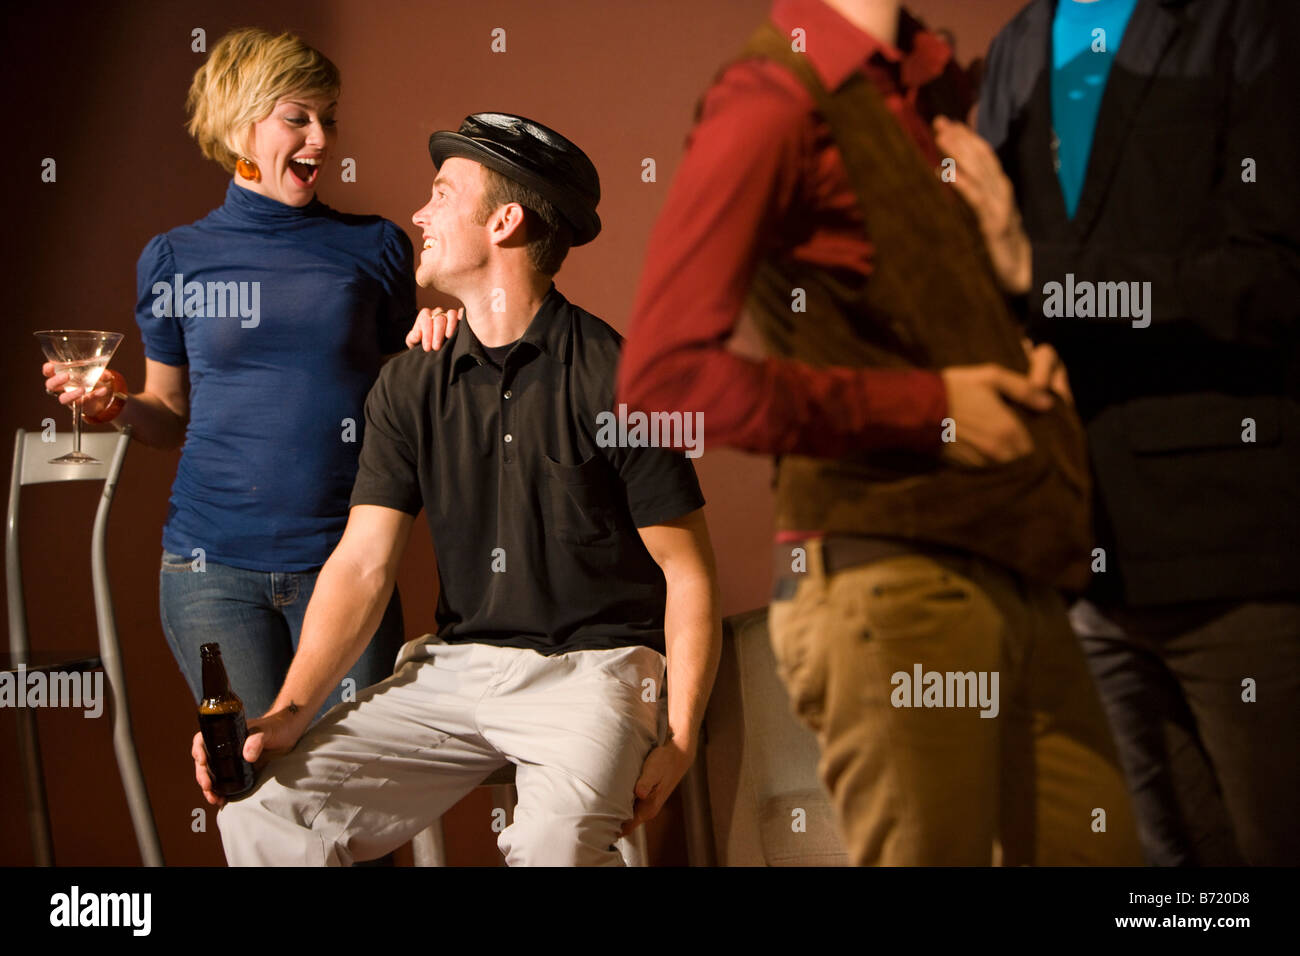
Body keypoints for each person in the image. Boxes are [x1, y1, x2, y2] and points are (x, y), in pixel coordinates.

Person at [616, 0, 1142, 865]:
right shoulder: (772, 94)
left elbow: (925, 328)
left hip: (1030, 572)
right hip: (890, 579)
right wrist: (928, 408)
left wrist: (1024, 358)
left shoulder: (931, 91)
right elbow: (663, 379)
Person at [201, 112, 722, 866]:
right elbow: (362, 564)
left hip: (595, 672)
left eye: (442, 193)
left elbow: (688, 570)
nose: (420, 212)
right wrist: (288, 714)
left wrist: (678, 736)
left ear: (504, 221)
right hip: (455, 667)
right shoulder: (411, 379)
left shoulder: (622, 378)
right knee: (267, 814)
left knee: (552, 843)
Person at [971, 0, 1300, 865]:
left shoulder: (1252, 25)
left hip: (1236, 550)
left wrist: (1046, 280)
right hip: (1075, 558)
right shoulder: (1015, 47)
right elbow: (997, 274)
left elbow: (1274, 281)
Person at [41, 28, 426, 720]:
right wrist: (117, 405)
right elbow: (166, 409)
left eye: (327, 118)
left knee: (361, 800)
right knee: (248, 779)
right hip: (208, 569)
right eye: (297, 117)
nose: (321, 138)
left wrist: (438, 342)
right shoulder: (174, 258)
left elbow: (409, 395)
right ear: (240, 125)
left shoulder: (375, 247)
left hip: (344, 564)